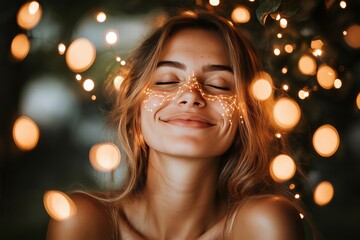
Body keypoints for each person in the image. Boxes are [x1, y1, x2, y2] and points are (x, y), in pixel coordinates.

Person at [46, 11, 314, 240]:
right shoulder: (83, 221)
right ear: (135, 106)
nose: (191, 95)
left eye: (219, 84)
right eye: (166, 80)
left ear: (247, 113)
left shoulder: (265, 223)